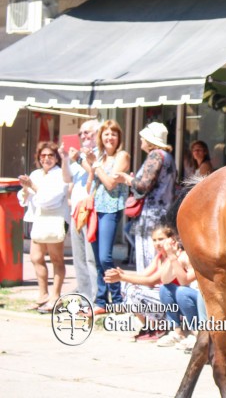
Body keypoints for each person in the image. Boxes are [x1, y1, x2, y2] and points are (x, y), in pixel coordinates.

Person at [83, 119, 131, 313]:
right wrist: (92, 168)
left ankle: (117, 299)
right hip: (95, 208)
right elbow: (89, 186)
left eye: (113, 134)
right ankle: (101, 301)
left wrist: (96, 167)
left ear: (119, 137)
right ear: (100, 137)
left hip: (111, 208)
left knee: (105, 256)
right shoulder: (98, 157)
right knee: (97, 257)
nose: (110, 137)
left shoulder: (122, 156)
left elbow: (111, 184)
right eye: (106, 134)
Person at [115, 122, 176, 270]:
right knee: (159, 255)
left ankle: (150, 289)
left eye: (143, 138)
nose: (141, 140)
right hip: (163, 211)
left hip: (151, 214)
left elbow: (144, 186)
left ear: (150, 140)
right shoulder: (168, 157)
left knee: (149, 256)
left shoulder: (155, 155)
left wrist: (127, 179)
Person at [104, 223, 179, 341]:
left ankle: (159, 327)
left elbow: (151, 281)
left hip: (172, 300)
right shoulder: (159, 257)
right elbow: (142, 275)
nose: (157, 243)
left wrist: (122, 277)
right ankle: (147, 326)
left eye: (161, 239)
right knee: (127, 286)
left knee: (136, 291)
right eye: (154, 240)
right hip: (160, 297)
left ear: (171, 239)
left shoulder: (173, 257)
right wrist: (122, 274)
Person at [17, 141, 69, 312]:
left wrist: (31, 186)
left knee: (56, 259)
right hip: (38, 220)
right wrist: (25, 189)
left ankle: (56, 296)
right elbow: (25, 198)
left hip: (54, 219)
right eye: (43, 155)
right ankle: (43, 294)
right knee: (35, 257)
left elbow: (50, 200)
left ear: (56, 158)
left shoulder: (60, 175)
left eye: (50, 155)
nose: (46, 158)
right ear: (39, 157)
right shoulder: (36, 174)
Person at [62, 120, 100, 301]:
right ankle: (85, 295)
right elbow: (67, 178)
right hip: (77, 208)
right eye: (81, 133)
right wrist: (64, 157)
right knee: (79, 257)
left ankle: (96, 296)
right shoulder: (77, 155)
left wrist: (78, 158)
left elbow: (95, 172)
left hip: (91, 208)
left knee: (91, 258)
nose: (84, 136)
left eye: (88, 133)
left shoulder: (99, 153)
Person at [156, 232, 200, 351]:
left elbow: (184, 281)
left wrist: (172, 256)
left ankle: (197, 335)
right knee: (165, 289)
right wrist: (173, 257)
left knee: (182, 292)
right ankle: (178, 333)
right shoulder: (182, 256)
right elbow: (165, 280)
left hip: (207, 302)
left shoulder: (200, 256)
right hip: (192, 301)